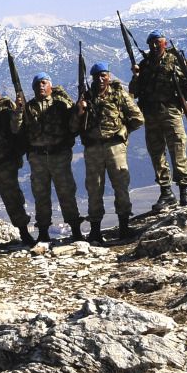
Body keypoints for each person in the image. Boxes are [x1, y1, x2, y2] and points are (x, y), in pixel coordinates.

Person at [75, 62, 144, 242]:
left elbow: (138, 118)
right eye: (97, 76)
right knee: (94, 188)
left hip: (115, 147)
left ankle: (124, 227)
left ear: (109, 76)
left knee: (120, 185)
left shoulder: (119, 94)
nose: (100, 79)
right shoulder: (86, 97)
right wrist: (80, 112)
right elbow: (73, 127)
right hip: (93, 148)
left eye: (103, 75)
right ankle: (95, 230)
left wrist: (123, 132)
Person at [129, 30, 187, 211]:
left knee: (178, 148)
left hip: (171, 111)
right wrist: (136, 75)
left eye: (158, 42)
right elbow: (133, 91)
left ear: (165, 43)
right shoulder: (145, 65)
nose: (155, 46)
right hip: (151, 112)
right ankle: (166, 191)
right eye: (152, 43)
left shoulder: (176, 62)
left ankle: (183, 192)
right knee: (156, 152)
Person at [12, 72, 81, 242]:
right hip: (38, 157)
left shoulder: (60, 105)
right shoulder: (29, 108)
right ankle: (43, 231)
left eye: (44, 83)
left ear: (50, 85)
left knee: (66, 193)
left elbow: (73, 126)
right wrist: (18, 111)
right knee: (41, 195)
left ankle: (75, 228)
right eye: (37, 84)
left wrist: (79, 111)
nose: (40, 86)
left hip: (59, 155)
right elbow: (16, 129)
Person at [0, 84, 32, 244]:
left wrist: (18, 112)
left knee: (13, 199)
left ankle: (24, 232)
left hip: (5, 164)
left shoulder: (5, 113)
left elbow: (16, 128)